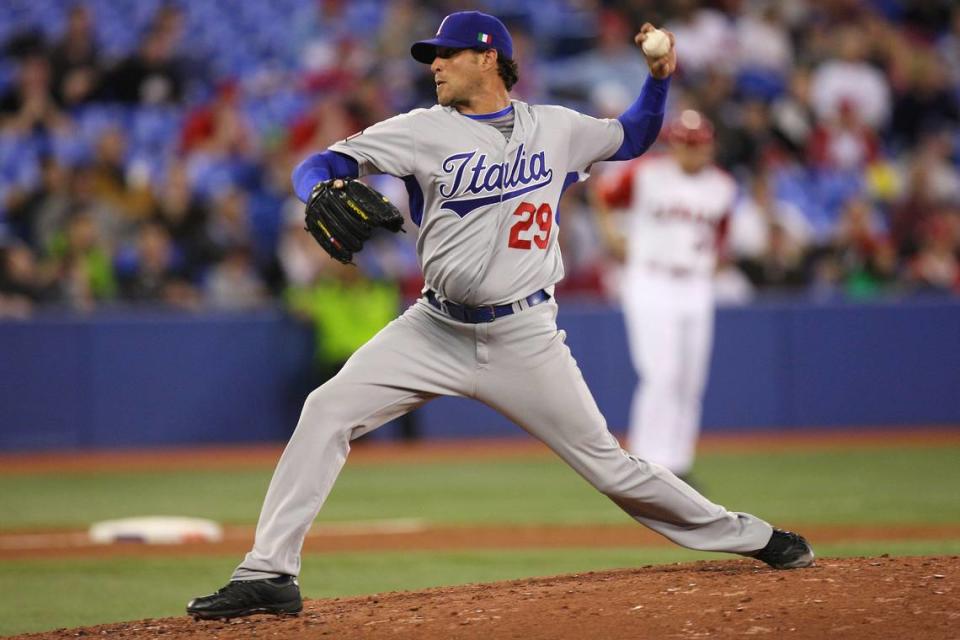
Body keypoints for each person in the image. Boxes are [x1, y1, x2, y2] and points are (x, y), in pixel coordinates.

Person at [187, 11, 814, 620]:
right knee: (326, 409)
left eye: (447, 53)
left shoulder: (556, 126)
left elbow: (636, 134)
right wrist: (319, 189)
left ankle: (751, 537)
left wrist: (659, 79)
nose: (434, 64)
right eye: (432, 56)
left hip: (525, 334)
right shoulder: (421, 129)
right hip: (433, 328)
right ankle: (268, 572)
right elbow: (322, 163)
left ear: (488, 58)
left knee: (610, 465)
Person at [595, 110, 735, 482]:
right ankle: (648, 462)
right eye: (685, 144)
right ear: (673, 143)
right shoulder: (647, 173)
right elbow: (603, 193)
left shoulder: (722, 185)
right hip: (651, 279)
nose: (691, 151)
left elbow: (721, 233)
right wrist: (611, 235)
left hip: (696, 284)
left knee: (691, 379)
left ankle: (678, 462)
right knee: (661, 373)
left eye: (698, 145)